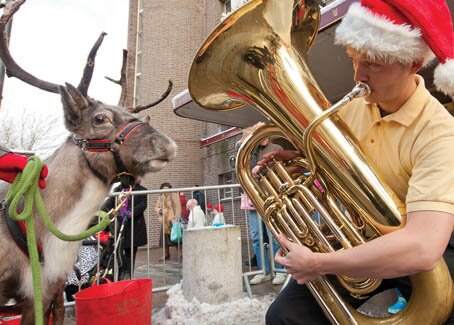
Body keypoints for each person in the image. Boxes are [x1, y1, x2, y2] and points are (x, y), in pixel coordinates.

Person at [264, 0, 454, 323]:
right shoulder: (351, 109)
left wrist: (319, 263)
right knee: (283, 316)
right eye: (353, 59)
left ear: (413, 63)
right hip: (364, 237)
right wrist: (301, 160)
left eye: (373, 64)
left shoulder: (440, 132)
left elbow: (423, 247)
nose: (357, 75)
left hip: (430, 246)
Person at [238, 122, 287, 286]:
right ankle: (264, 271)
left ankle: (280, 270)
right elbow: (241, 171)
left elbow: (280, 171)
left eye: (265, 134)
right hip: (254, 199)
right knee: (257, 238)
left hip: (270, 198)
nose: (264, 138)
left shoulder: (276, 147)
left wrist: (262, 170)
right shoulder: (250, 152)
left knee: (274, 237)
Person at [103, 177, 148, 279]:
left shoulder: (142, 190)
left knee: (130, 254)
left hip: (133, 228)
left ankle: (129, 276)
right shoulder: (118, 190)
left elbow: (142, 205)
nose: (140, 178)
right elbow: (109, 204)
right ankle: (120, 275)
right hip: (119, 228)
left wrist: (131, 213)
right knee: (118, 253)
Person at [154, 182, 181, 261]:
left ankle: (180, 253)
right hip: (164, 220)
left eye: (167, 189)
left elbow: (178, 206)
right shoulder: (160, 197)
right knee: (164, 239)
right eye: (164, 189)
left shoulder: (174, 195)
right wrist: (161, 210)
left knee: (175, 236)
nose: (165, 191)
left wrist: (177, 216)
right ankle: (166, 254)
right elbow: (156, 207)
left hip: (173, 219)